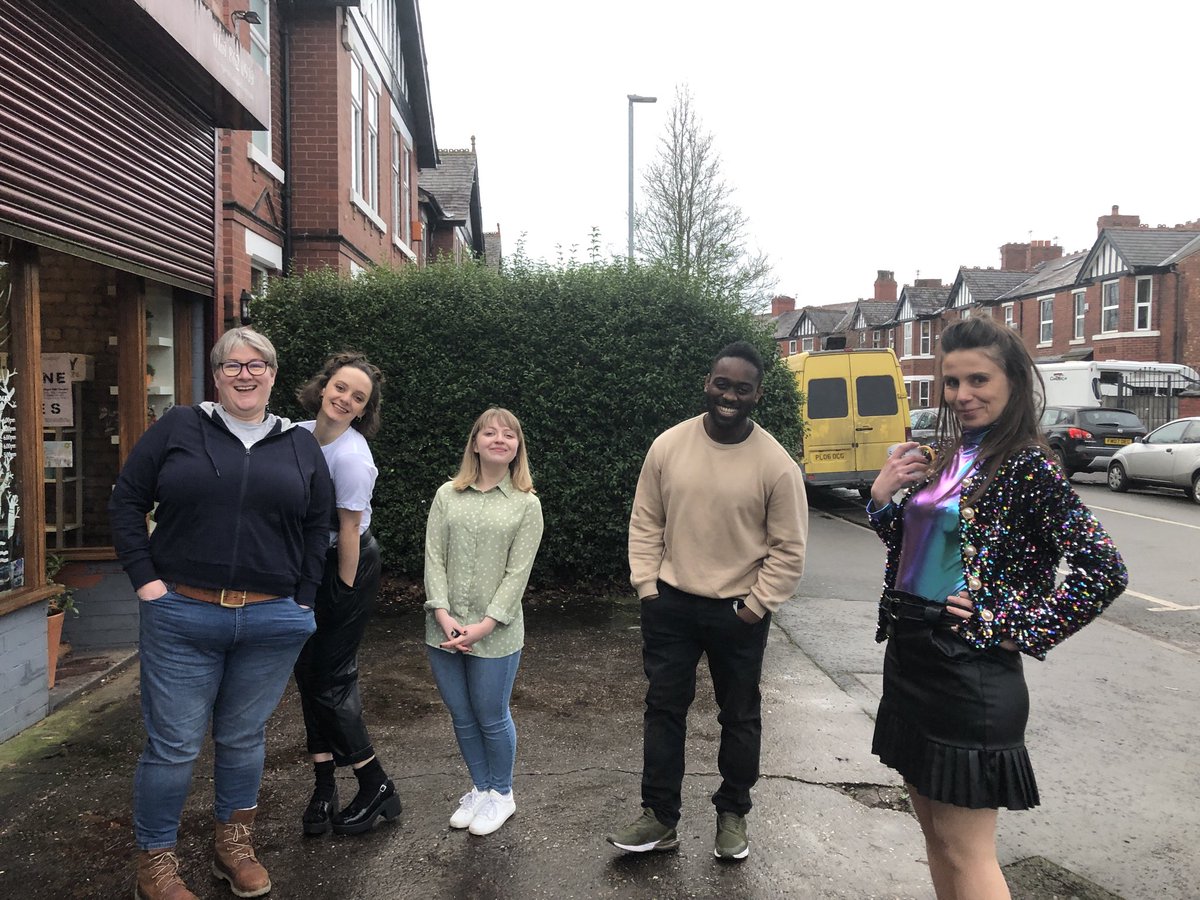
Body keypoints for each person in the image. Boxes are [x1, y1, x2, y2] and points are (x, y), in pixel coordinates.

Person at [865, 316, 1128, 900]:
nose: (962, 395)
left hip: (968, 674)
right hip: (910, 659)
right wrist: (883, 497)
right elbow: (922, 551)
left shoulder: (1027, 465)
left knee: (967, 852)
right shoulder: (954, 454)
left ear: (1013, 381)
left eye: (978, 380)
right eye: (952, 382)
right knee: (937, 839)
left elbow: (1104, 570)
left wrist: (1012, 626)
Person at [110, 327, 332, 900]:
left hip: (271, 620)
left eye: (257, 365)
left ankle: (232, 846)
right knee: (174, 746)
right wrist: (146, 582)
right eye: (232, 365)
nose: (245, 374)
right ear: (216, 376)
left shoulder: (300, 444)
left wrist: (304, 599)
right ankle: (156, 863)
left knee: (243, 737)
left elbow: (318, 525)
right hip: (182, 613)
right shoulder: (179, 427)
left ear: (273, 375)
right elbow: (127, 499)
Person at [607, 340, 809, 861]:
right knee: (663, 710)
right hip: (670, 605)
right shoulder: (668, 446)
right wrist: (648, 588)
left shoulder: (776, 465)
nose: (730, 396)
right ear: (707, 383)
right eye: (722, 384)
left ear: (757, 395)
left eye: (742, 388)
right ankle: (659, 818)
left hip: (738, 612)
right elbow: (645, 521)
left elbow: (789, 549)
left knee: (739, 715)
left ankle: (733, 814)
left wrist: (756, 607)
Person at [292, 352, 399, 837]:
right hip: (307, 565)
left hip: (347, 565)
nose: (345, 399)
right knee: (307, 671)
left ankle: (375, 783)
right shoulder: (295, 435)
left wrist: (341, 590)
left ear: (363, 410)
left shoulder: (353, 457)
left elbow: (350, 531)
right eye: (340, 388)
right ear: (323, 387)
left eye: (358, 398)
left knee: (332, 678)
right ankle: (323, 787)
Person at [423, 407, 544, 836]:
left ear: (517, 447)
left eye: (508, 435)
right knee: (461, 714)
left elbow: (517, 574)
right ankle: (480, 788)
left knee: (491, 715)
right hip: (443, 628)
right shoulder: (447, 495)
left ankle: (502, 794)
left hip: (496, 632)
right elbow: (433, 557)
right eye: (489, 433)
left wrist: (486, 624)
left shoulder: (526, 505)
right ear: (475, 443)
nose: (499, 439)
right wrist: (442, 613)